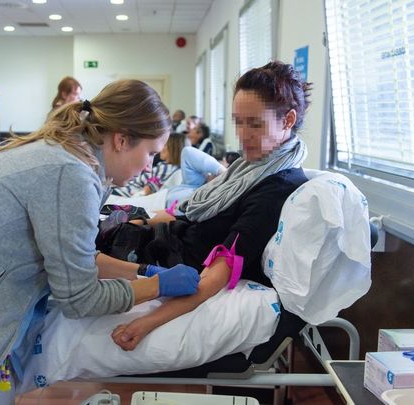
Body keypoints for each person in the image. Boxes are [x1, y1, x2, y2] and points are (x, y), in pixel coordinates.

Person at [0, 79, 200, 404]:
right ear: (122, 139)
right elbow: (80, 297)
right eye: (151, 153)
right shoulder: (71, 175)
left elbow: (74, 257)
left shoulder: (60, 152)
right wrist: (157, 287)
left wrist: (141, 270)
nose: (149, 166)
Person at [109, 61, 312, 351]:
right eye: (238, 122)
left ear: (288, 120)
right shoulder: (245, 168)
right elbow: (185, 211)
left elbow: (217, 274)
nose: (243, 134)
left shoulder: (276, 187)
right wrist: (135, 219)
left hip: (159, 262)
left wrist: (145, 323)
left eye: (254, 123)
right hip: (155, 241)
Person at [112, 132, 185, 197]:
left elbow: (148, 190)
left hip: (124, 193)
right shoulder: (171, 168)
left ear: (174, 149)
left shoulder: (166, 168)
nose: (161, 148)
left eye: (165, 145)